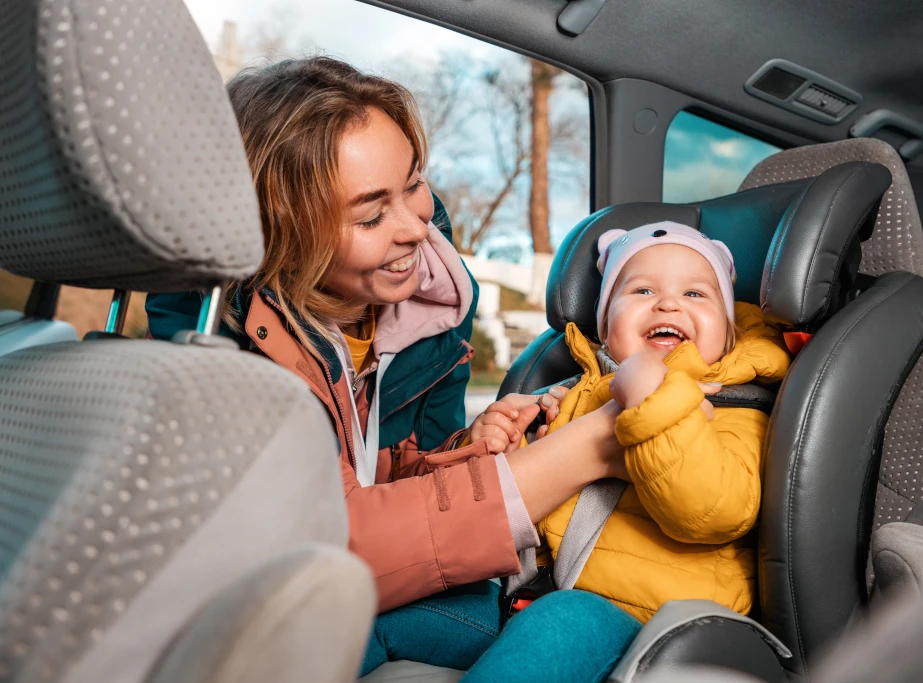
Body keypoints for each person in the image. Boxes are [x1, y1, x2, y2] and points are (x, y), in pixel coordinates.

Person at [145, 57, 638, 681]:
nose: (418, 227)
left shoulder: (430, 308)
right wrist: (586, 449)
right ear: (284, 234)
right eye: (371, 215)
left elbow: (404, 477)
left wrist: (477, 446)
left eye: (414, 183)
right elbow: (329, 538)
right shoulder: (227, 345)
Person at [477, 221, 792, 624]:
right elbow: (531, 512)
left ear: (729, 333)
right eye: (643, 290)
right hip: (535, 592)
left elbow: (711, 511)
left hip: (655, 622)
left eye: (694, 293)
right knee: (399, 614)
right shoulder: (574, 392)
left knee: (558, 621)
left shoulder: (739, 404)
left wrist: (651, 397)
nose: (667, 305)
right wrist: (498, 446)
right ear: (605, 327)